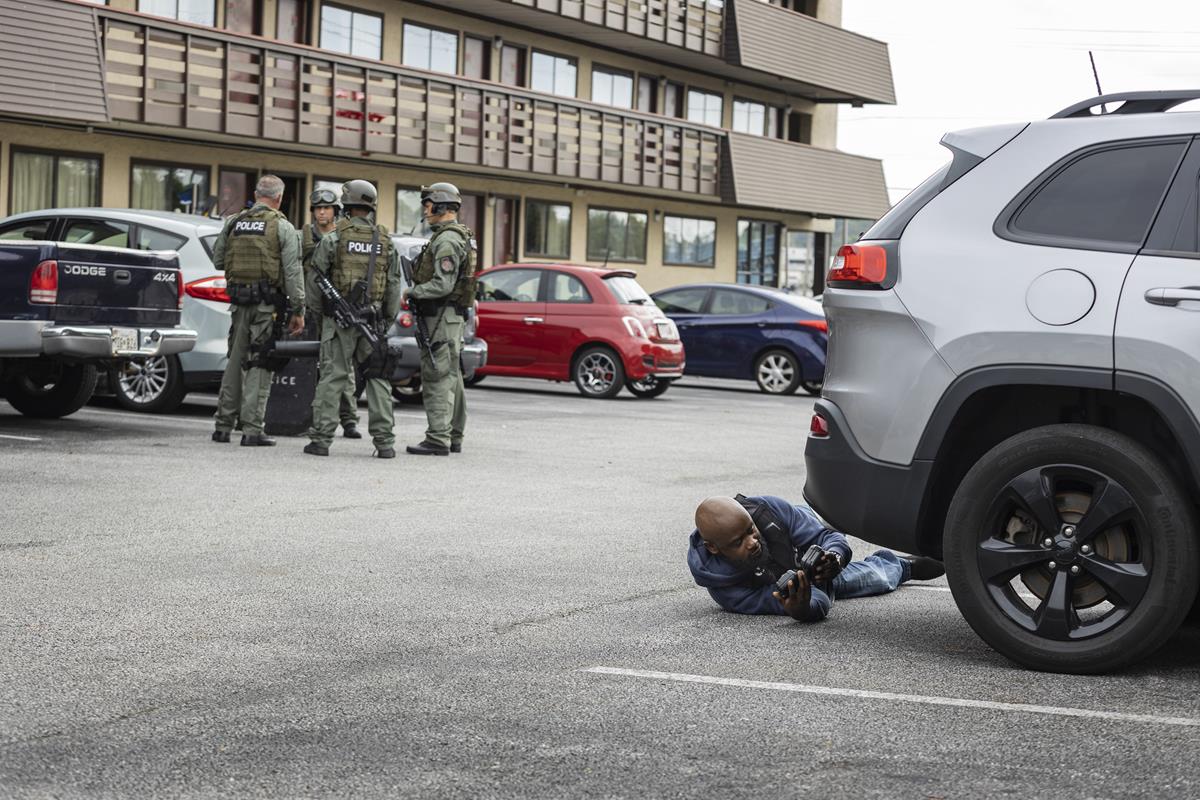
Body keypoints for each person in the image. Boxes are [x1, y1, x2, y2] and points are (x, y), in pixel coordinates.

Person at [687, 494, 945, 622]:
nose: (752, 542)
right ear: (713, 548)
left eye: (750, 530)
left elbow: (827, 538)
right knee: (872, 578)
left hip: (804, 535)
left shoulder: (768, 509)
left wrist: (835, 557)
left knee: (835, 527)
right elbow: (813, 601)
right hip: (805, 583)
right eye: (738, 542)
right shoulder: (727, 590)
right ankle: (904, 567)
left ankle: (901, 564)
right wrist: (801, 610)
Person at [304, 180, 401, 459]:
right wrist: (386, 319)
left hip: (339, 321)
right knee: (378, 378)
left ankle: (321, 440)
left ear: (345, 206)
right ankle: (385, 443)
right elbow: (393, 283)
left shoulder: (334, 238)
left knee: (333, 377)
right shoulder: (385, 241)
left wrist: (320, 315)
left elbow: (314, 280)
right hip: (372, 320)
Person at [211, 174, 305, 447]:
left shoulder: (235, 222)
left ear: (254, 194)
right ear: (279, 198)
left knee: (235, 361)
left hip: (239, 303)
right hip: (267, 306)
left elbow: (218, 259)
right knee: (259, 363)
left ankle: (222, 426)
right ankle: (252, 429)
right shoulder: (283, 227)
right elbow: (292, 271)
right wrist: (298, 309)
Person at [403, 182, 475, 456]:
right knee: (452, 376)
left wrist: (413, 291)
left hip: (441, 317)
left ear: (440, 206)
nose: (425, 209)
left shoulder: (446, 240)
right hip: (451, 317)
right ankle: (453, 435)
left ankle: (437, 438)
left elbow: (442, 285)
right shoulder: (459, 236)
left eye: (428, 204)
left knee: (436, 376)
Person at [302, 187, 361, 440]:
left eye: (326, 208)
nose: (321, 212)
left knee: (339, 366)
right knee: (305, 365)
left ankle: (348, 419)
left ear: (335, 211)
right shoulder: (303, 236)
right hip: (309, 306)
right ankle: (310, 416)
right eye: (317, 208)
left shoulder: (342, 237)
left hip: (336, 310)